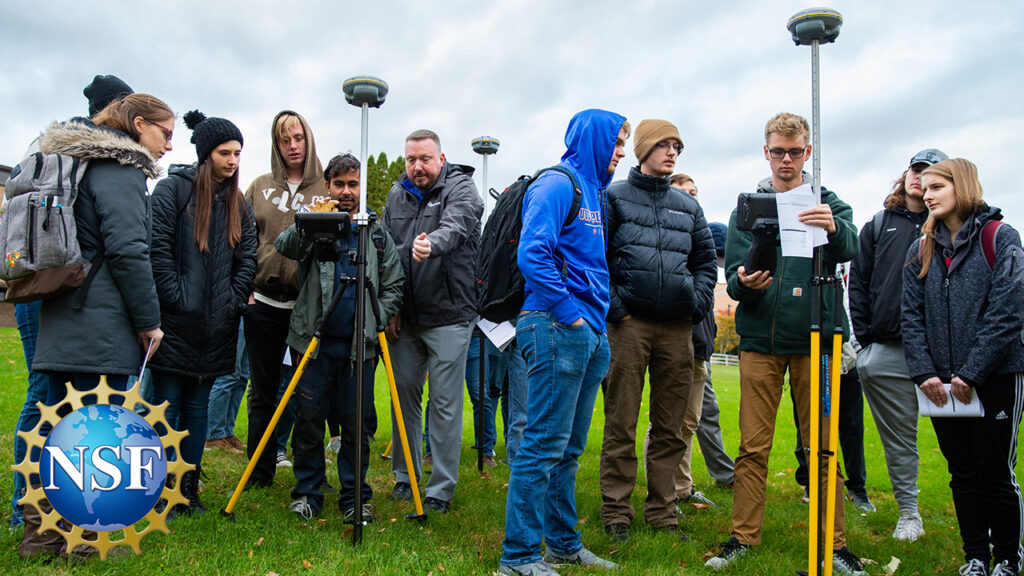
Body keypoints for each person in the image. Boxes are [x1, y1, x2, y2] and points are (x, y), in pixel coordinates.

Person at [706, 112, 865, 575]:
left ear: (808, 152)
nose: (787, 161)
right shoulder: (748, 207)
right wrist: (744, 281)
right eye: (778, 151)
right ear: (766, 151)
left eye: (796, 152)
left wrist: (833, 229)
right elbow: (733, 280)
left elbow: (852, 249)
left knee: (822, 446)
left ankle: (833, 546)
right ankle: (742, 537)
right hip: (759, 342)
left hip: (815, 341)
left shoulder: (828, 200)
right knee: (753, 447)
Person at [21, 92, 173, 558]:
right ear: (139, 123)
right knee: (92, 433)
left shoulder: (78, 160)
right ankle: (87, 541)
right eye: (165, 134)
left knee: (54, 428)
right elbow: (129, 250)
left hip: (66, 313)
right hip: (100, 323)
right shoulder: (121, 170)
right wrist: (149, 321)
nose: (168, 146)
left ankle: (40, 537)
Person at [498, 109, 628, 576]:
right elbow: (532, 252)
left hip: (590, 333)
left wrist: (594, 325)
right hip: (555, 326)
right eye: (615, 143)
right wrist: (570, 315)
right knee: (541, 444)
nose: (621, 153)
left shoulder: (595, 191)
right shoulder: (558, 183)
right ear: (594, 139)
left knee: (568, 449)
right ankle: (518, 557)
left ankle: (563, 546)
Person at [8, 73, 134, 530]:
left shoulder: (50, 145)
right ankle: (30, 509)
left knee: (45, 396)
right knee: (48, 397)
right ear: (117, 111)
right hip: (62, 288)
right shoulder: (91, 152)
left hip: (34, 282)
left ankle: (39, 506)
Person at [902, 158, 1024, 576]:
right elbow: (911, 316)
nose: (927, 193)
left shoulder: (1001, 237)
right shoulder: (921, 248)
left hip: (997, 377)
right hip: (939, 385)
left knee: (995, 472)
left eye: (937, 186)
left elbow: (1008, 312)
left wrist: (971, 374)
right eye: (924, 188)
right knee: (962, 473)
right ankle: (975, 556)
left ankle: (1007, 559)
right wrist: (924, 373)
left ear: (963, 186)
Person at [599, 120, 717, 543]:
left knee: (670, 427)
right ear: (643, 149)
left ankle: (663, 513)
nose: (672, 153)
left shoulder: (688, 207)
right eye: (664, 145)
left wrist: (695, 303)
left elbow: (706, 262)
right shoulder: (613, 197)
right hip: (629, 326)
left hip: (677, 329)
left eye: (677, 148)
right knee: (622, 421)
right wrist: (618, 309)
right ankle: (616, 511)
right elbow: (596, 259)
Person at [276, 153, 403, 522]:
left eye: (353, 184)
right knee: (310, 421)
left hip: (358, 347)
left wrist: (377, 312)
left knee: (355, 425)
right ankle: (307, 494)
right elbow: (285, 248)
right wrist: (311, 220)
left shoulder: (376, 233)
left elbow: (394, 281)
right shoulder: (316, 223)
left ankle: (354, 498)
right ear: (328, 185)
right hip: (312, 343)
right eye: (340, 184)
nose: (346, 192)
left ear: (362, 188)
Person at [148, 111, 257, 515]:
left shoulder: (238, 203)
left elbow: (247, 257)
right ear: (206, 153)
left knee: (196, 410)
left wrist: (232, 299)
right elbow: (157, 251)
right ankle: (157, 489)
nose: (232, 160)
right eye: (225, 152)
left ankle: (187, 491)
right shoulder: (172, 192)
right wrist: (176, 298)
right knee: (166, 406)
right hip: (176, 322)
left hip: (218, 326)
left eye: (237, 153)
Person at [849, 148, 949, 541]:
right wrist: (868, 340)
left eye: (930, 174)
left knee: (960, 440)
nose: (919, 178)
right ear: (906, 175)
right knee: (900, 439)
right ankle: (909, 513)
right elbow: (858, 282)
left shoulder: (949, 224)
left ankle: (982, 512)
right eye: (915, 170)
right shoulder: (877, 224)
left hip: (941, 352)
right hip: (888, 349)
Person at [382, 129, 482, 514]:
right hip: (406, 316)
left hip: (450, 315)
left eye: (424, 159)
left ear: (441, 159)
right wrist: (392, 307)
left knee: (444, 403)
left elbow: (458, 226)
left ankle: (440, 488)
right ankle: (406, 477)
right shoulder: (397, 193)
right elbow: (387, 249)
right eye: (411, 160)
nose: (417, 167)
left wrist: (431, 243)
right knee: (403, 394)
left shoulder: (462, 188)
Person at [242, 111, 324, 488]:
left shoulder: (326, 189)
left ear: (308, 139)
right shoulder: (258, 186)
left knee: (306, 393)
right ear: (276, 145)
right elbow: (241, 240)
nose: (292, 146)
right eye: (284, 140)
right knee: (262, 392)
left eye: (298, 138)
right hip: (262, 304)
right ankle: (259, 471)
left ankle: (308, 475)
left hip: (306, 310)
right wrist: (244, 288)